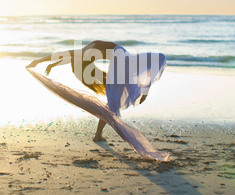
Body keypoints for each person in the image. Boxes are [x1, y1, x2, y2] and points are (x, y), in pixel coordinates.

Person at [26, 40, 165, 142]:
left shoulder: (86, 52)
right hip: (124, 59)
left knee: (113, 103)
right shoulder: (87, 51)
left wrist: (40, 61)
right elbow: (68, 56)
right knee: (158, 59)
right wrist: (52, 64)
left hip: (122, 61)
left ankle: (98, 134)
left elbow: (64, 54)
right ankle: (98, 135)